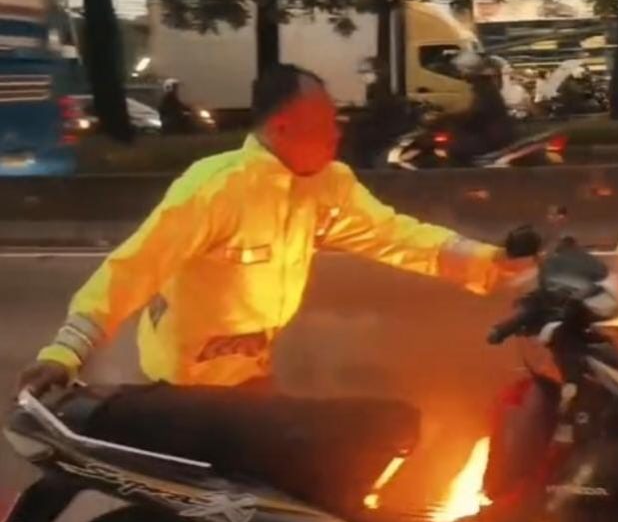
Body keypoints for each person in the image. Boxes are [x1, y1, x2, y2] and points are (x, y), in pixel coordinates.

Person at [18, 64, 531, 396]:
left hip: (253, 375)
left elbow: (394, 236)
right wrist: (66, 352)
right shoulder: (215, 187)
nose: (336, 134)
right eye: (324, 124)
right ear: (282, 129)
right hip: (184, 386)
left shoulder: (328, 183)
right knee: (215, 510)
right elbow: (133, 269)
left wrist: (487, 261)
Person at [447, 53, 516, 165]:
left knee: (456, 148)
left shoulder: (483, 88)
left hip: (490, 136)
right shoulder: (482, 85)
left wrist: (451, 118)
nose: (459, 75)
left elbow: (477, 113)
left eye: (460, 71)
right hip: (492, 133)